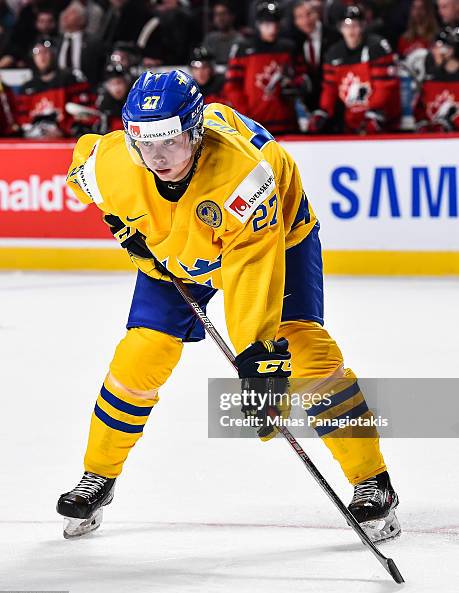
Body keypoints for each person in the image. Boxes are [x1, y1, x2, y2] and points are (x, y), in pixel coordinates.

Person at [56, 68, 401, 544]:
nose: (157, 157)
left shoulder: (243, 176)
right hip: (177, 250)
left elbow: (249, 271)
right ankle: (98, 474)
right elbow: (81, 168)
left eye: (170, 142)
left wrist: (258, 356)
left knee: (303, 351)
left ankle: (372, 481)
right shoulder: (117, 161)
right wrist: (121, 223)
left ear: (196, 132)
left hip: (276, 238)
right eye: (144, 142)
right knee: (140, 355)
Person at [308, 5, 401, 134]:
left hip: (383, 121)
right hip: (352, 121)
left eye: (355, 25)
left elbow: (385, 87)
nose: (351, 30)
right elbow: (329, 88)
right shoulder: (334, 53)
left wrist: (375, 111)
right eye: (347, 26)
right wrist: (324, 110)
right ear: (340, 28)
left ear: (363, 26)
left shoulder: (377, 47)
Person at [224, 1, 299, 134]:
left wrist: (297, 85)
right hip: (255, 125)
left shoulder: (289, 48)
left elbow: (300, 77)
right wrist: (246, 117)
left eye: (276, 23)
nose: (273, 29)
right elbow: (232, 87)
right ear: (258, 24)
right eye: (267, 24)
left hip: (286, 123)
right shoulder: (243, 49)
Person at [16, 38, 93, 138]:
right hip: (34, 143)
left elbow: (83, 115)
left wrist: (64, 131)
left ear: (54, 54)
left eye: (46, 51)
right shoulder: (27, 88)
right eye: (38, 52)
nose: (42, 56)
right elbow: (22, 120)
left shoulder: (70, 80)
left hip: (66, 141)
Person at [288, 0, 341, 111]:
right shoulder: (292, 40)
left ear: (317, 13)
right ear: (295, 21)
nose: (305, 20)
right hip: (307, 105)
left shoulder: (335, 37)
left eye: (309, 14)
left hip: (335, 102)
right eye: (300, 17)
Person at [415, 26, 459, 131]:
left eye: (437, 47)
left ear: (449, 51)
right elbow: (420, 114)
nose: (434, 51)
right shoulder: (430, 79)